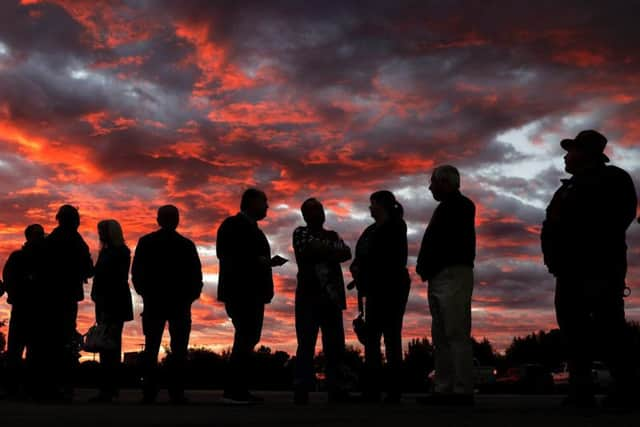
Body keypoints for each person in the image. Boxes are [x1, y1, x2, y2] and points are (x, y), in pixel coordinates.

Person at [541, 130, 638, 408]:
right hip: (567, 271)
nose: (565, 155)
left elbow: (620, 217)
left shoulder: (614, 179)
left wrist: (587, 248)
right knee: (573, 331)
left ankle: (627, 390)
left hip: (599, 268)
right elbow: (551, 226)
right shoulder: (566, 188)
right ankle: (580, 391)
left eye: (570, 150)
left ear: (586, 153)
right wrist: (553, 260)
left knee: (610, 329)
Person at [216, 188, 287, 404]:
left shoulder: (254, 229)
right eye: (264, 202)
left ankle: (238, 389)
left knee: (248, 338)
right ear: (251, 202)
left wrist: (264, 264)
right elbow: (227, 254)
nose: (267, 206)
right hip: (241, 292)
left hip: (253, 293)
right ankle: (234, 391)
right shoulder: (232, 225)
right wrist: (261, 262)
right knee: (246, 337)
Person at [416, 165, 476, 406]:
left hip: (452, 272)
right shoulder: (446, 208)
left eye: (434, 182)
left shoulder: (460, 206)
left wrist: (430, 264)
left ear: (446, 182)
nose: (430, 187)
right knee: (441, 334)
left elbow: (446, 241)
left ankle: (461, 390)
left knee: (455, 331)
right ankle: (445, 388)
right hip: (440, 274)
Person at [131, 205, 203, 404]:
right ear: (177, 220)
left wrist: (146, 293)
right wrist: (189, 297)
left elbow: (136, 273)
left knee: (151, 348)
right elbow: (196, 276)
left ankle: (149, 392)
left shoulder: (146, 242)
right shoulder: (186, 245)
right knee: (179, 349)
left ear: (158, 219)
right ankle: (176, 392)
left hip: (156, 302)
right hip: (178, 303)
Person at [350, 190, 410, 403]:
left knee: (391, 337)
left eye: (372, 203)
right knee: (372, 339)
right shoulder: (370, 230)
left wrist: (365, 270)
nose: (369, 207)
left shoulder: (396, 226)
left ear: (382, 205)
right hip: (374, 290)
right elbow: (360, 256)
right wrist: (356, 268)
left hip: (392, 288)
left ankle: (393, 392)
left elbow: (393, 259)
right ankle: (372, 390)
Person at [292, 198, 352, 405]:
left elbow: (346, 252)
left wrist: (323, 249)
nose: (319, 213)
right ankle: (302, 389)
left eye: (320, 209)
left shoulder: (332, 234)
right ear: (305, 215)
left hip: (332, 299)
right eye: (314, 210)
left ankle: (337, 389)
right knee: (306, 345)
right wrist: (330, 251)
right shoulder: (300, 232)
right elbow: (309, 250)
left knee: (335, 346)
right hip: (308, 298)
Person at [43, 205, 94, 401]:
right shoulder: (77, 241)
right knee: (65, 339)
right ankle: (65, 385)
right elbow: (89, 269)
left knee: (50, 340)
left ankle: (48, 385)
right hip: (68, 296)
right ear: (75, 220)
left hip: (49, 296)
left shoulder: (50, 240)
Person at [89, 219, 134, 403]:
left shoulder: (118, 252)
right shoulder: (108, 252)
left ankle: (108, 389)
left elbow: (115, 279)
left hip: (112, 302)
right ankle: (108, 388)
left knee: (110, 346)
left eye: (102, 231)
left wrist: (104, 302)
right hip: (107, 302)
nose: (99, 234)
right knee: (107, 345)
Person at [2, 224, 46, 399]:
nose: (39, 237)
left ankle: (28, 387)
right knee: (16, 349)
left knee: (34, 350)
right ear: (29, 237)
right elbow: (8, 279)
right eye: (37, 235)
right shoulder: (18, 257)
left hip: (37, 309)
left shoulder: (45, 258)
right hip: (23, 308)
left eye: (40, 235)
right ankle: (14, 387)